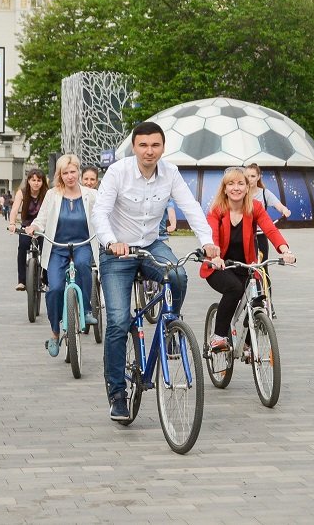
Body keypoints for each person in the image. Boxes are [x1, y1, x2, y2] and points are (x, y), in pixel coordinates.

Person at [91, 121, 220, 421]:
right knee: (119, 321)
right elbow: (100, 212)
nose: (149, 151)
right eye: (143, 145)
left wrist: (208, 242)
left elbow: (191, 207)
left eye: (155, 145)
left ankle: (170, 326)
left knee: (178, 274)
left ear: (163, 147)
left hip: (151, 245)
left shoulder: (171, 173)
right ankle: (117, 394)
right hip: (118, 251)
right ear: (134, 147)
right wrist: (111, 242)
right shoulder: (118, 172)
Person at [200, 167, 295, 352]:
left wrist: (285, 250)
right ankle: (219, 336)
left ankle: (248, 345)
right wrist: (216, 257)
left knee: (260, 300)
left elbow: (270, 230)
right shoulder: (217, 210)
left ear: (247, 187)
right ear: (224, 188)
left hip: (246, 266)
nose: (236, 188)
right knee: (234, 289)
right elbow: (212, 237)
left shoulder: (255, 208)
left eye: (240, 183)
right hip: (219, 267)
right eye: (231, 184)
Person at [22, 154, 99, 357]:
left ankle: (87, 310)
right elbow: (42, 218)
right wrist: (34, 227)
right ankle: (55, 334)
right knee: (54, 289)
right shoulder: (53, 195)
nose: (70, 176)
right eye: (65, 173)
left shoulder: (91, 195)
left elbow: (102, 216)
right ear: (60, 175)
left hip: (82, 244)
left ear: (79, 172)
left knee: (83, 265)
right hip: (57, 247)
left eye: (73, 171)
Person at [9, 169, 49, 291]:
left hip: (43, 228)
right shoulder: (22, 193)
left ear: (43, 182)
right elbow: (15, 209)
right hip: (26, 227)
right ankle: (22, 281)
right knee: (22, 247)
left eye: (39, 180)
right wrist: (12, 223)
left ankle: (46, 280)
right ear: (28, 181)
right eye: (33, 180)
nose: (36, 183)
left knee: (47, 251)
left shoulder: (48, 193)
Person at [244, 163, 291, 265]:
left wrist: (284, 210)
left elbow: (278, 204)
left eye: (253, 176)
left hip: (261, 233)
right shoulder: (241, 193)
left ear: (258, 177)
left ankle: (265, 280)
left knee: (263, 264)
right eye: (247, 176)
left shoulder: (265, 193)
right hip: (244, 234)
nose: (250, 179)